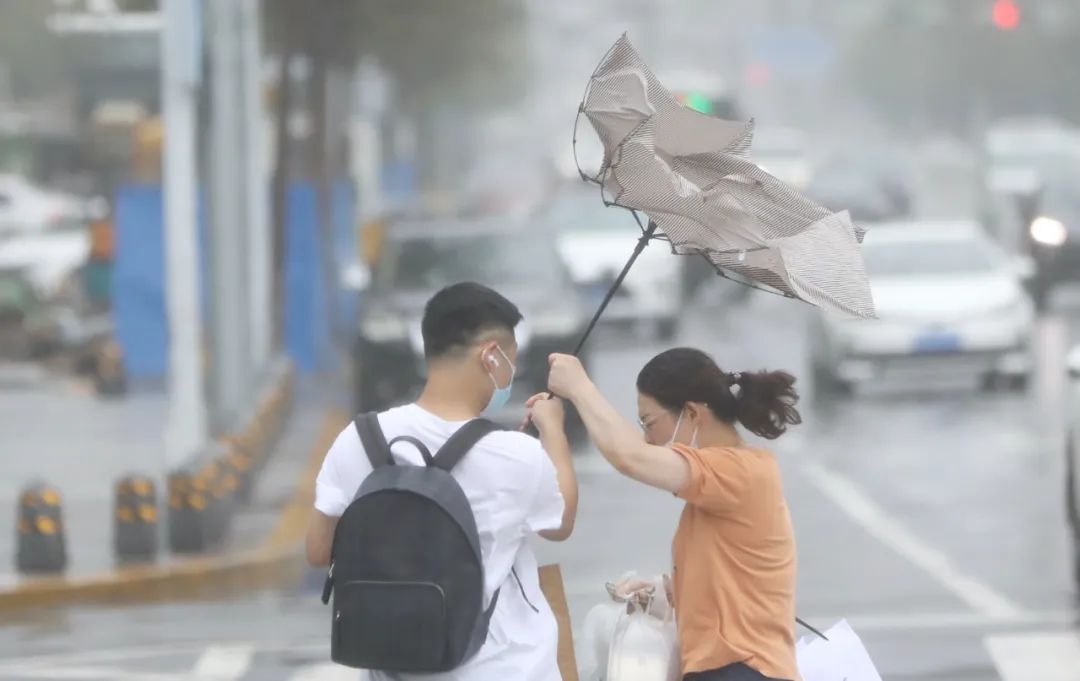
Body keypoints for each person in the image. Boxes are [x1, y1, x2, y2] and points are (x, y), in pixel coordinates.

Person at [306, 282, 578, 681]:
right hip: (505, 668)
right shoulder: (513, 454)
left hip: (395, 669)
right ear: (490, 355)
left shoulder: (360, 439)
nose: (510, 375)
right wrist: (553, 430)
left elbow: (318, 551)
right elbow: (561, 519)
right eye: (510, 361)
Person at [546, 347, 802, 681]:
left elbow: (630, 458)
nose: (646, 439)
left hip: (744, 670)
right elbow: (731, 580)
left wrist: (579, 387)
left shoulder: (740, 471)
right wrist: (666, 592)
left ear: (693, 414)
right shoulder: (721, 485)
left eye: (649, 423)